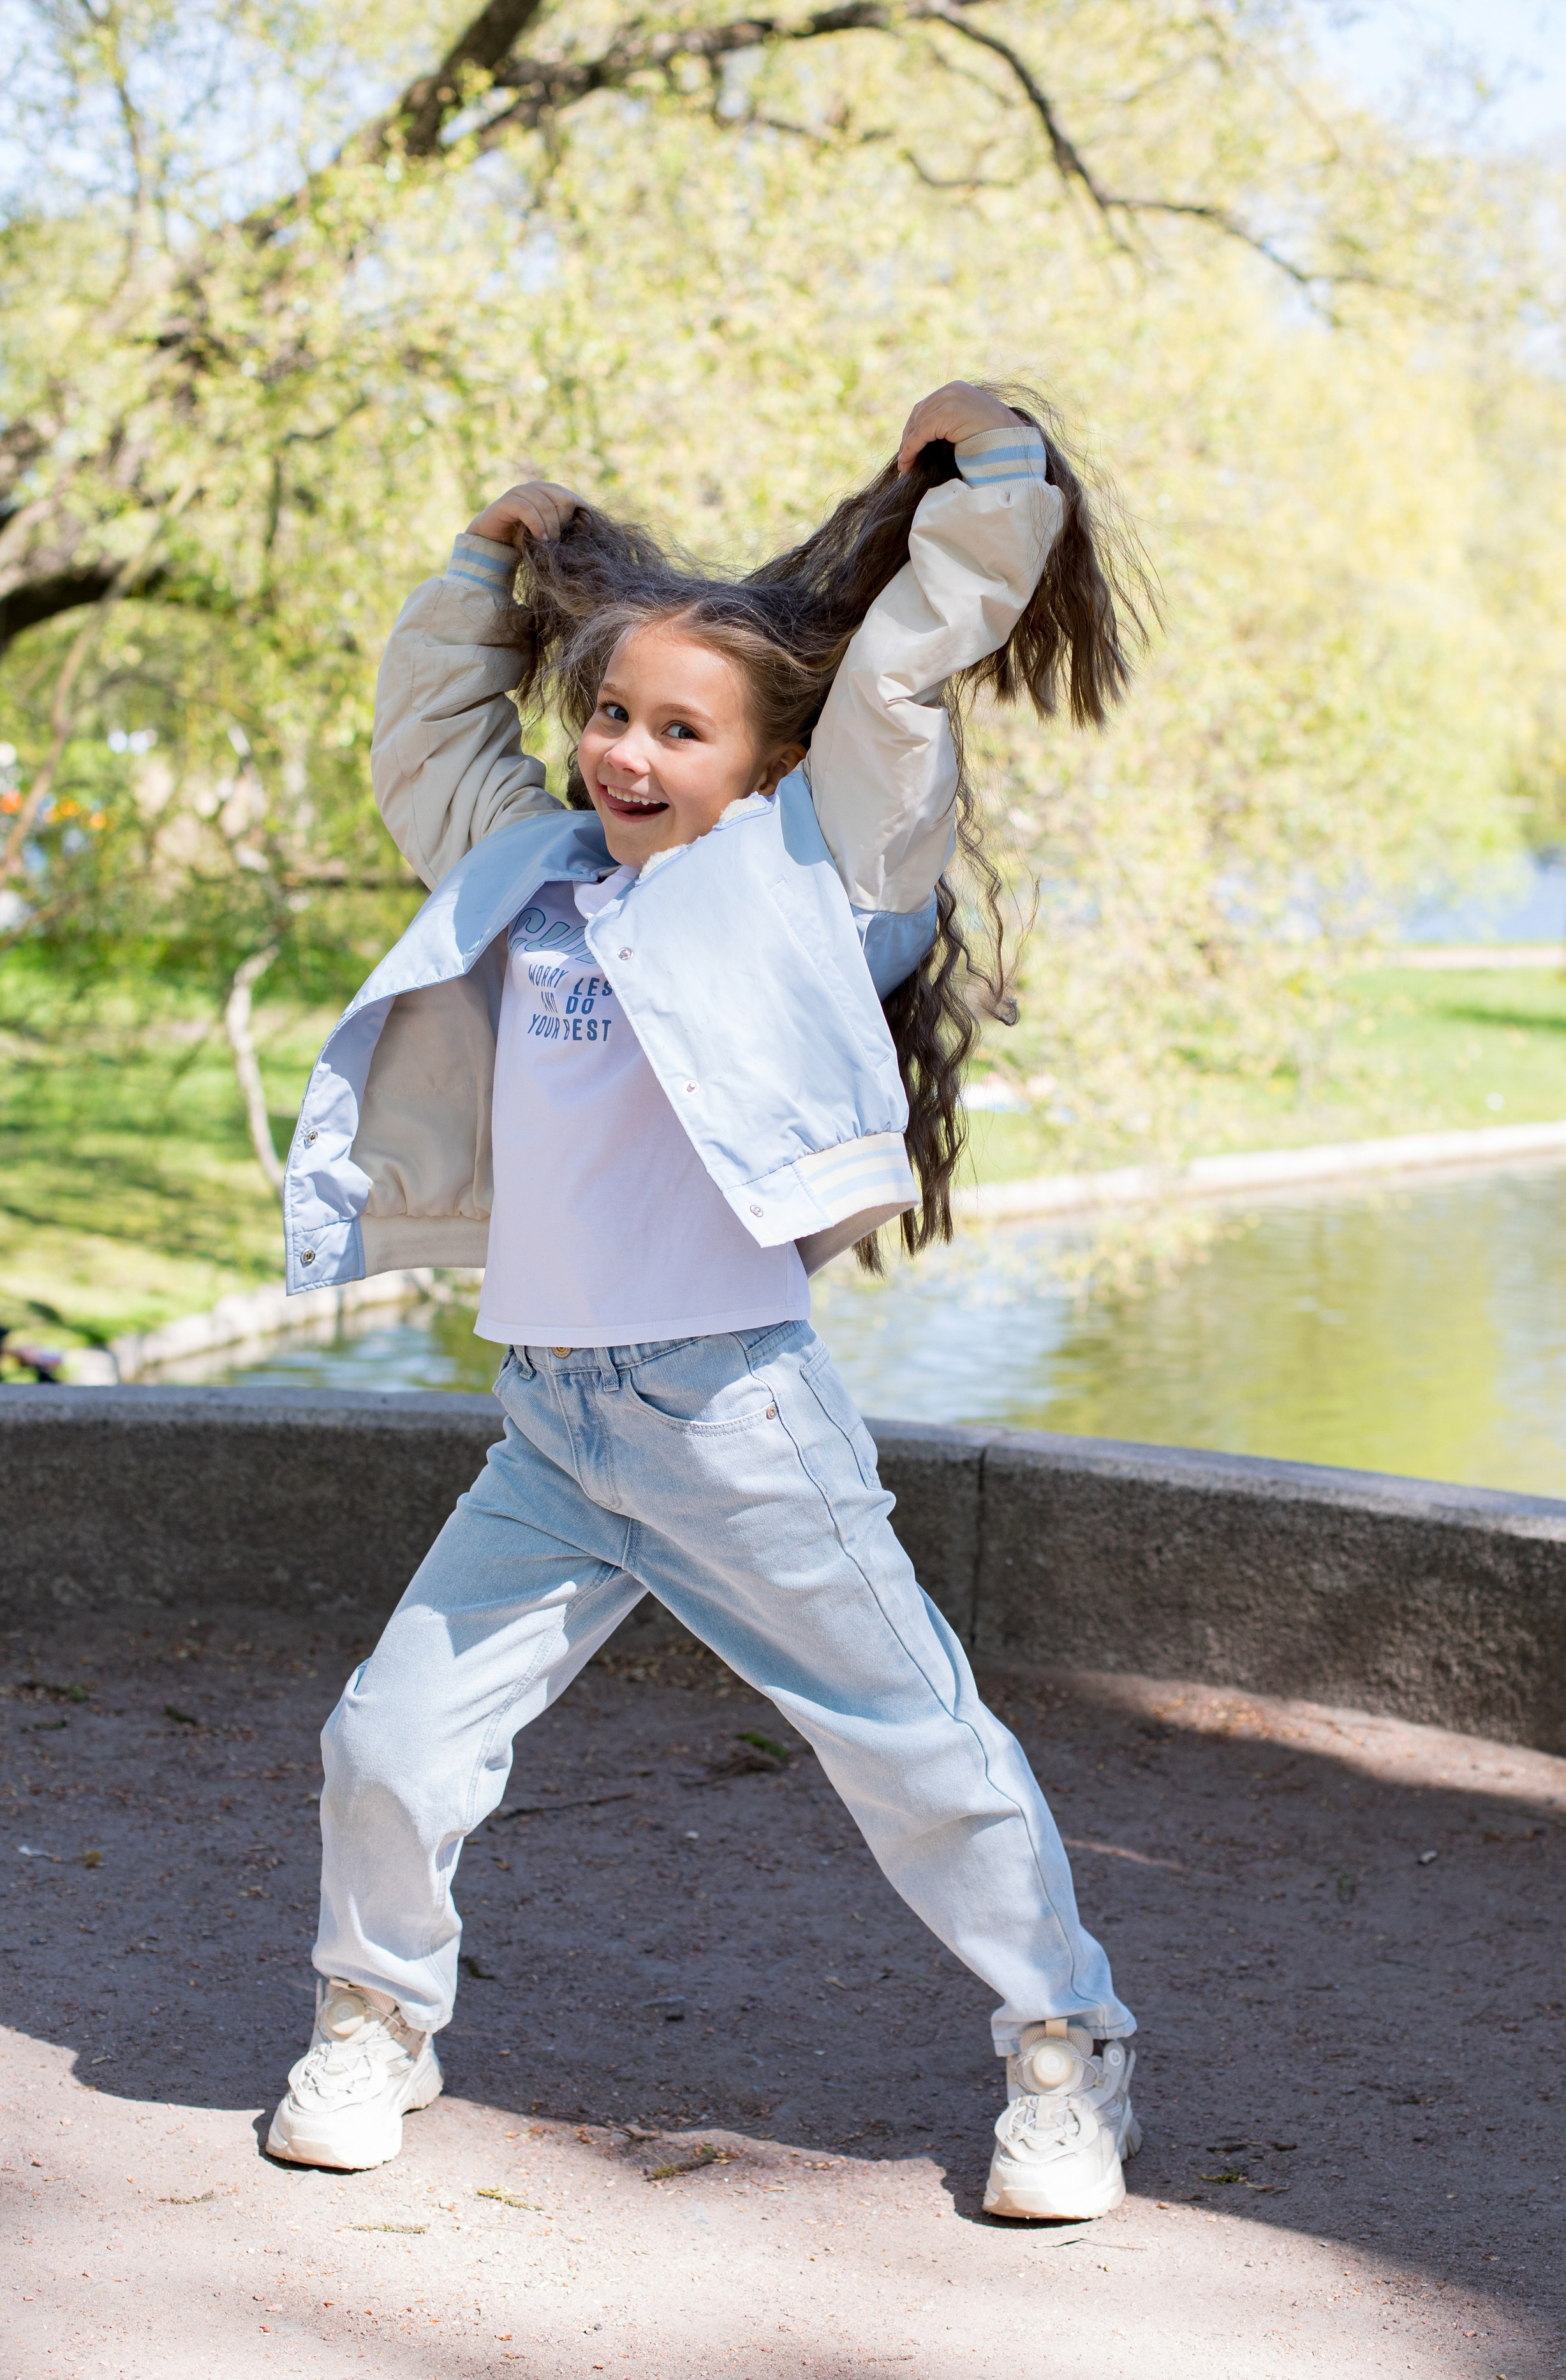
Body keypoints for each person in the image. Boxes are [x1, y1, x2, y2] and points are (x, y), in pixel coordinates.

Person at [270, 381, 1146, 2220]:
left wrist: (990, 466)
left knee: (915, 1748)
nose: (629, 752)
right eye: (608, 713)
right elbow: (432, 737)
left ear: (761, 762)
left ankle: (1065, 2047)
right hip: (554, 1433)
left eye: (682, 729)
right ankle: (373, 2020)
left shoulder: (815, 876)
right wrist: (486, 559)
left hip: (734, 1418)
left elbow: (909, 659)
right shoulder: (535, 881)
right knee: (388, 1740)